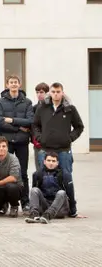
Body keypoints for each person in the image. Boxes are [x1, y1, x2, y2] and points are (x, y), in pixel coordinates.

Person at [33, 82, 83, 218]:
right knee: (42, 177)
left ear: (62, 92)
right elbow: (35, 125)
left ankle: (72, 209)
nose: (55, 94)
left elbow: (79, 127)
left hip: (64, 150)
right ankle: (41, 207)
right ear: (50, 93)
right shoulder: (42, 107)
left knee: (67, 178)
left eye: (58, 91)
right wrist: (40, 137)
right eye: (53, 92)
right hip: (45, 149)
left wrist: (69, 138)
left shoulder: (70, 109)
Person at [0, 75, 34, 212]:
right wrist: (18, 127)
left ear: (19, 84)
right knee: (5, 174)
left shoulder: (27, 102)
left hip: (22, 142)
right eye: (11, 82)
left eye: (15, 82)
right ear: (7, 84)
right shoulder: (0, 101)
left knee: (22, 173)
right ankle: (5, 204)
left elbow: (30, 121)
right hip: (7, 143)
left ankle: (25, 202)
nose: (13, 85)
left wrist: (11, 120)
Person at [25, 152, 70, 224]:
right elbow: (35, 195)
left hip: (59, 208)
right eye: (48, 160)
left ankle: (48, 215)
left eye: (53, 161)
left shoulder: (64, 174)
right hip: (45, 205)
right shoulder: (37, 174)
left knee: (61, 192)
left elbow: (71, 193)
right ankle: (34, 214)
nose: (51, 163)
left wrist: (74, 212)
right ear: (44, 162)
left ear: (57, 163)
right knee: (34, 190)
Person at [31, 82, 50, 170]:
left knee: (50, 167)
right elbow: (33, 124)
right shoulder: (34, 108)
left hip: (51, 143)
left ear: (47, 93)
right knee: (39, 168)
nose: (39, 94)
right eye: (37, 92)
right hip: (38, 143)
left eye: (41, 92)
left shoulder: (52, 107)